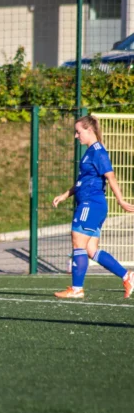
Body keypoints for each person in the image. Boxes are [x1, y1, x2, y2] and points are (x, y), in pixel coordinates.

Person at [53, 114, 134, 299]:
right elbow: (82, 182)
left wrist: (121, 200)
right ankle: (127, 276)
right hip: (92, 205)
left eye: (78, 132)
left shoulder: (98, 151)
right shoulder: (90, 151)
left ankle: (76, 289)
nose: (76, 136)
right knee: (91, 250)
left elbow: (110, 176)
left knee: (78, 242)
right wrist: (65, 195)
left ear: (89, 130)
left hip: (91, 204)